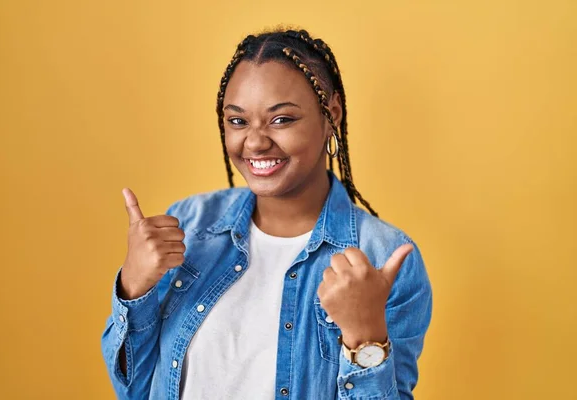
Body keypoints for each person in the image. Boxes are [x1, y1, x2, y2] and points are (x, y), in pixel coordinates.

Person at [101, 28, 432, 400]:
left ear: (331, 115)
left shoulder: (383, 256)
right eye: (238, 121)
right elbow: (134, 389)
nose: (255, 142)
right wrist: (133, 287)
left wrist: (365, 338)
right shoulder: (189, 224)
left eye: (281, 120)